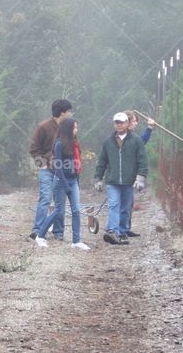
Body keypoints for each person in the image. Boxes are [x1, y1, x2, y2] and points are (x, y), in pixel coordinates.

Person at [33, 118, 90, 250]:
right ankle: (40, 236)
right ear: (68, 130)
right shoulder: (59, 144)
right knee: (59, 210)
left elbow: (76, 165)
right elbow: (58, 168)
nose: (77, 130)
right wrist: (65, 186)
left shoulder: (74, 144)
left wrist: (75, 181)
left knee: (76, 210)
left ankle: (76, 241)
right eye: (75, 128)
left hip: (73, 180)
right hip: (61, 182)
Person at [94, 112, 148, 245]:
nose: (119, 125)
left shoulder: (136, 141)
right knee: (113, 205)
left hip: (128, 181)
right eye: (116, 122)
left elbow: (142, 160)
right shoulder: (108, 142)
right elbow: (102, 161)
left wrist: (140, 178)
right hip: (112, 181)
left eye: (121, 122)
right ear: (114, 124)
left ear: (127, 123)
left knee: (125, 207)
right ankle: (112, 231)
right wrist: (98, 178)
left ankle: (123, 232)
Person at [29, 99, 73, 241]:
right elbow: (34, 149)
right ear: (62, 112)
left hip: (63, 170)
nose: (71, 113)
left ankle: (58, 232)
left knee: (60, 201)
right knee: (45, 199)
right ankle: (37, 230)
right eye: (69, 111)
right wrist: (42, 164)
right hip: (47, 169)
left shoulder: (69, 127)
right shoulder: (43, 127)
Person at [124, 111, 156, 237]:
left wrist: (149, 128)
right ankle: (118, 229)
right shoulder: (123, 137)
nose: (136, 123)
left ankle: (125, 228)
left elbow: (141, 143)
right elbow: (141, 143)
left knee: (128, 202)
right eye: (134, 121)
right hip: (122, 175)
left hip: (130, 174)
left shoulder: (131, 136)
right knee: (122, 203)